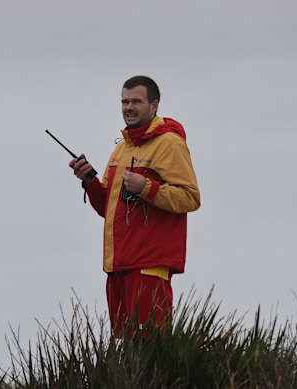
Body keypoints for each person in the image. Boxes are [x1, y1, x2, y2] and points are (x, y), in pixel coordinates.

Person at [69, 75, 200, 336]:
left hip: (149, 265)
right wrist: (90, 182)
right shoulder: (122, 149)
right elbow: (109, 208)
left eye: (136, 101)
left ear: (154, 105)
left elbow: (191, 197)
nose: (129, 107)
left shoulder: (170, 143)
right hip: (118, 267)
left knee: (151, 349)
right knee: (127, 352)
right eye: (124, 101)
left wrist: (147, 188)